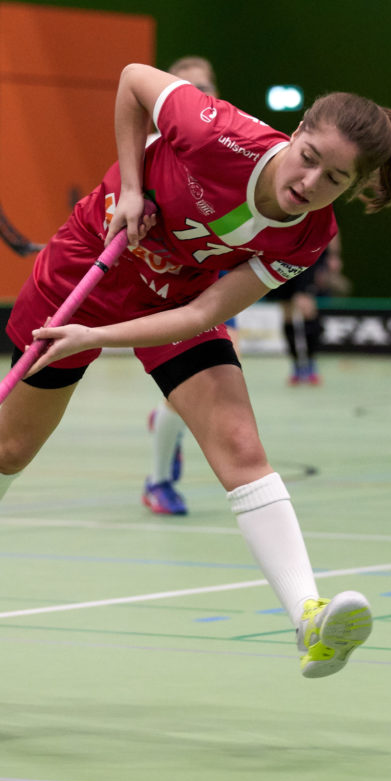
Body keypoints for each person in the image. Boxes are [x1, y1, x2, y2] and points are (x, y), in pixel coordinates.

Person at [0, 63, 391, 678]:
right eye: (308, 157)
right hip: (88, 264)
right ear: (294, 132)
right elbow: (129, 79)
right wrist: (130, 189)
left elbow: (205, 312)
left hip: (175, 299)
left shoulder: (308, 237)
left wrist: (98, 337)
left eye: (334, 178)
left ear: (351, 185)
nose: (311, 182)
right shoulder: (216, 132)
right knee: (12, 448)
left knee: (240, 447)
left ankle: (309, 618)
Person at [142, 55, 218, 517]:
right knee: (188, 390)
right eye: (184, 88)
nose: (196, 97)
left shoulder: (232, 150)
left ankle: (164, 430)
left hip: (210, 280)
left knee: (195, 390)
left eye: (204, 88)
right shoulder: (149, 149)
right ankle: (158, 482)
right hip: (159, 286)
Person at [264, 232, 345, 385]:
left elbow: (331, 227)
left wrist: (333, 256)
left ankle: (311, 363)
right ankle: (296, 365)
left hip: (307, 254)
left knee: (307, 308)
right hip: (280, 254)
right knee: (287, 313)